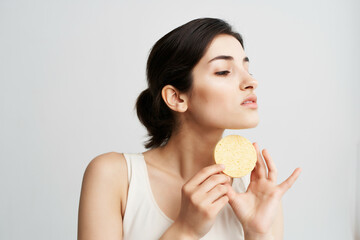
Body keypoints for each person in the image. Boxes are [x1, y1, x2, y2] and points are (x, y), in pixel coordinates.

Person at [77, 17, 302, 240]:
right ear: (176, 97)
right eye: (223, 71)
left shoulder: (255, 191)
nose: (251, 82)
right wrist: (186, 230)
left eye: (247, 68)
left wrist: (258, 233)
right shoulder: (115, 176)